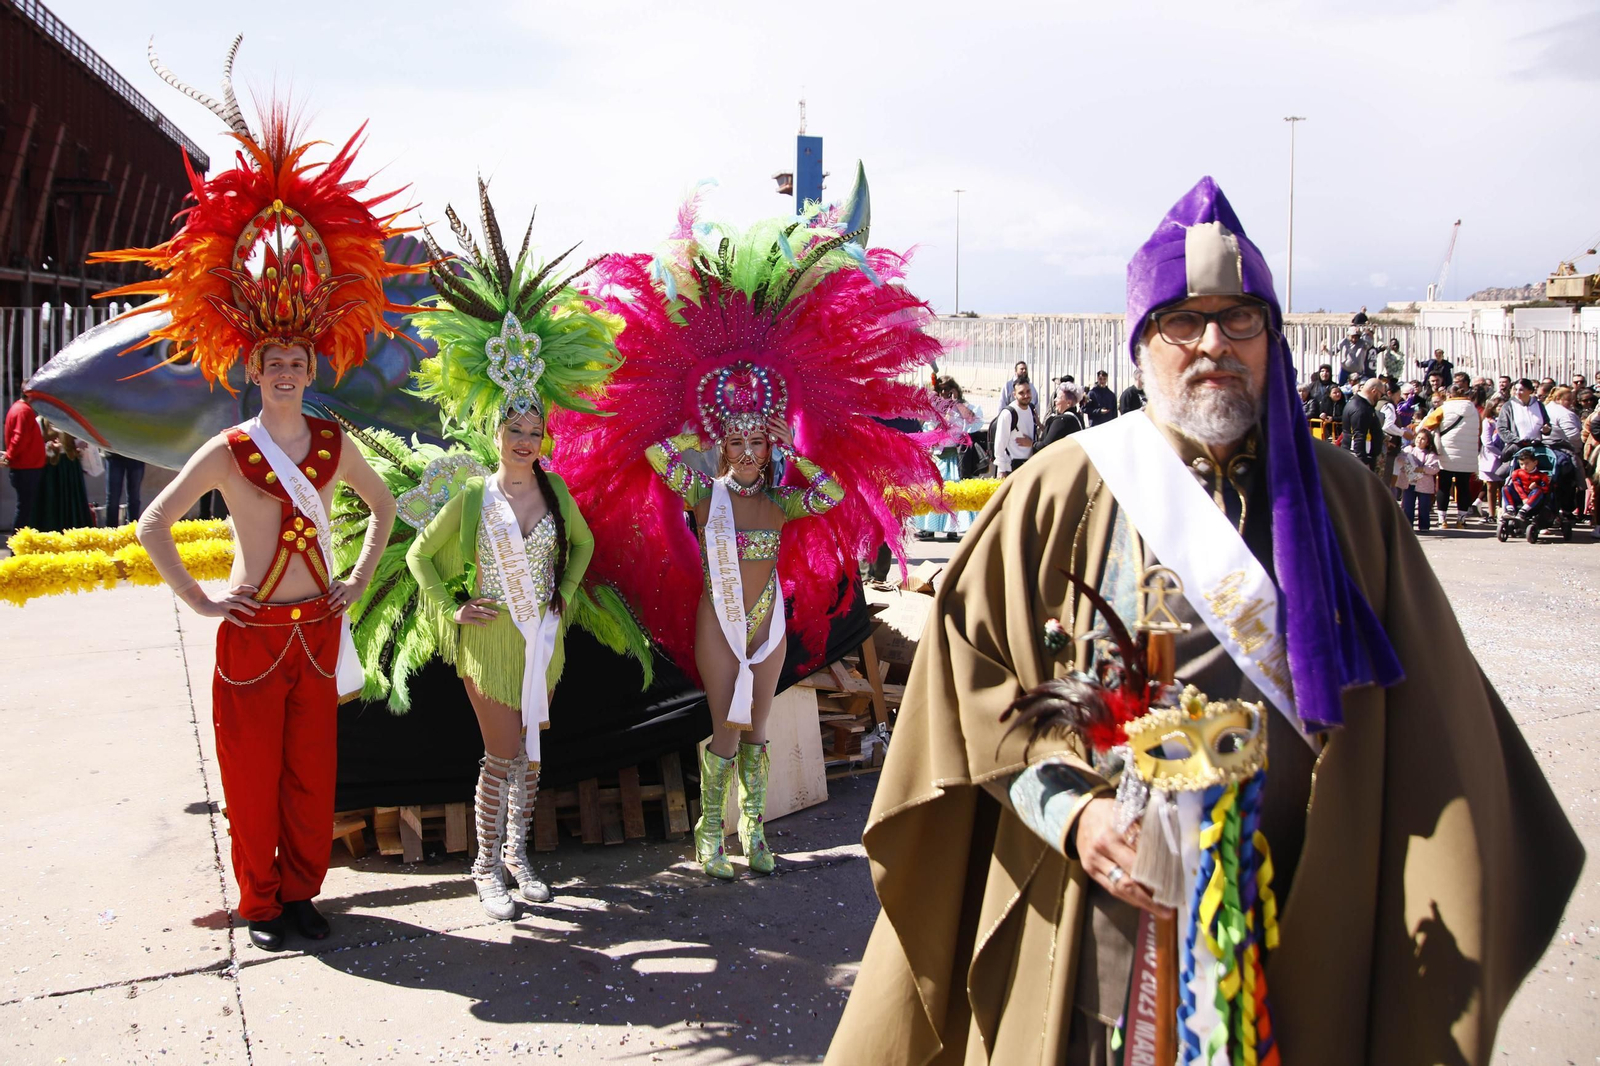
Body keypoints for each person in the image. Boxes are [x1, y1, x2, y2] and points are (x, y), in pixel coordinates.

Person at [825, 176, 1580, 1066]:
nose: (1213, 343)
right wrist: (1070, 813)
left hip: (1305, 916)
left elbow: (1437, 732)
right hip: (1100, 920)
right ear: (1144, 343)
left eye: (1239, 320)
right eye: (1184, 322)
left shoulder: (1353, 506)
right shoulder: (1060, 487)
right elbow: (967, 691)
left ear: (1273, 341)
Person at [102, 64, 412, 952]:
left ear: (311, 369)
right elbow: (152, 523)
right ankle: (260, 900)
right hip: (249, 630)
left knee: (312, 775)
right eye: (270, 363)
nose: (283, 373)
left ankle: (305, 891)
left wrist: (356, 575)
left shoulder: (333, 442)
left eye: (295, 363)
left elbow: (384, 511)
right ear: (252, 372)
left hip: (315, 626)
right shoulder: (231, 452)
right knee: (248, 778)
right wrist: (199, 599)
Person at [553, 198, 949, 883]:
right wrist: (684, 418)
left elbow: (828, 489)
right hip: (719, 617)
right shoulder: (708, 495)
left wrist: (798, 436)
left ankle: (755, 834)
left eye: (754, 442)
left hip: (769, 624)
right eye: (733, 441)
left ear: (768, 447)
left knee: (760, 728)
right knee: (725, 726)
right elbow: (657, 458)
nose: (743, 452)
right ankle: (712, 835)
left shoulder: (782, 499)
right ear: (722, 443)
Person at [402, 186, 628, 919]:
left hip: (541, 639)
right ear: (495, 434)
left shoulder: (559, 495)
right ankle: (484, 869)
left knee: (533, 755)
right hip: (492, 639)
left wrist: (565, 589)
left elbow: (585, 545)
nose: (524, 441)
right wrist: (450, 605)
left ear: (544, 436)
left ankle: (518, 856)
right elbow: (417, 559)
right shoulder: (474, 497)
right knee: (502, 755)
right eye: (513, 430)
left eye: (534, 430)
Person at [916, 377, 980, 541]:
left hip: (952, 455)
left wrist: (955, 403)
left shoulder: (960, 408)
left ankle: (952, 528)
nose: (944, 392)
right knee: (932, 491)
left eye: (948, 389)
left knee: (951, 491)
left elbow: (974, 420)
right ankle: (929, 528)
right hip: (935, 455)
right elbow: (921, 422)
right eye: (941, 389)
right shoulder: (933, 407)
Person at [1420, 384, 1481, 527]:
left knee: (1444, 486)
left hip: (1446, 452)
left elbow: (1427, 426)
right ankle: (1461, 519)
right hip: (1468, 453)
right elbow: (1480, 430)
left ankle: (1443, 520)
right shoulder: (1474, 410)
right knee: (1463, 486)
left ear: (1448, 395)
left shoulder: (1443, 408)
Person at [2, 394, 46, 531]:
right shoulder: (23, 411)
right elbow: (19, 437)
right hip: (26, 467)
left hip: (27, 466)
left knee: (26, 507)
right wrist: (9, 456)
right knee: (25, 509)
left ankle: (21, 544)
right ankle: (17, 546)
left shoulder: (21, 409)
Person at [1398, 425, 1442, 533]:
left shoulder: (1431, 454)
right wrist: (1406, 463)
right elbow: (1400, 459)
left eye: (1423, 439)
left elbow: (1434, 469)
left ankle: (1424, 526)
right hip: (1409, 483)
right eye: (1418, 437)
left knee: (1424, 506)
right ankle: (1408, 526)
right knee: (1408, 505)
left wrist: (1422, 469)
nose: (1419, 440)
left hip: (1424, 485)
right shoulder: (1408, 449)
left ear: (1428, 442)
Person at [996, 380, 1037, 475]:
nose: (1026, 395)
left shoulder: (1031, 409)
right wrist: (1001, 470)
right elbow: (1000, 442)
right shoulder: (1008, 413)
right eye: (1021, 393)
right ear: (1014, 394)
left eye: (1028, 391)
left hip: (1029, 466)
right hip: (1011, 468)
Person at [1343, 376, 1384, 469]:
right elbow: (1358, 437)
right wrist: (1363, 462)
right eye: (1381, 394)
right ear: (1374, 391)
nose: (1380, 398)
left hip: (1360, 456)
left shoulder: (1360, 404)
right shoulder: (1360, 409)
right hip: (1359, 459)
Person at [1497, 378, 1549, 450]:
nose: (1517, 392)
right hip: (1517, 448)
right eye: (1516, 389)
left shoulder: (1539, 405)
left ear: (1530, 390)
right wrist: (1518, 441)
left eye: (1521, 390)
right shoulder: (1508, 406)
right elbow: (1502, 428)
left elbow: (1547, 423)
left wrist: (1546, 429)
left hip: (1537, 446)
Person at [1480, 395, 1506, 522]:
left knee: (1504, 486)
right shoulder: (1488, 422)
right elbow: (1487, 442)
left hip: (1505, 456)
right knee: (1491, 486)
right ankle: (1491, 514)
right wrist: (1500, 454)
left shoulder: (1506, 421)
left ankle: (1503, 511)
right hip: (1492, 458)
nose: (1501, 409)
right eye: (1499, 406)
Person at [103, 451, 146, 527]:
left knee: (134, 496)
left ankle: (132, 529)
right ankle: (111, 531)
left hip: (136, 455)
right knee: (113, 497)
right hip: (114, 454)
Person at [1039, 381, 1084, 448]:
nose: (1055, 400)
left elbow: (1046, 445)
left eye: (1058, 398)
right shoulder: (1079, 417)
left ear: (1068, 403)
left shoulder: (1061, 420)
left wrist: (1031, 443)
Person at [1000, 360, 1039, 426]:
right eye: (1021, 369)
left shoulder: (1031, 386)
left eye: (1025, 369)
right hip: (1012, 422)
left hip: (1028, 421)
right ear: (1015, 371)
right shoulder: (1008, 386)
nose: (1024, 371)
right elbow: (1002, 404)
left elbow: (1036, 404)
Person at [1545, 385, 1583, 449]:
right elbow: (1573, 435)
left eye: (1572, 400)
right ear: (1558, 398)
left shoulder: (1545, 408)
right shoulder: (1564, 414)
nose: (1571, 402)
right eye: (1568, 400)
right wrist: (1578, 449)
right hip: (1563, 449)